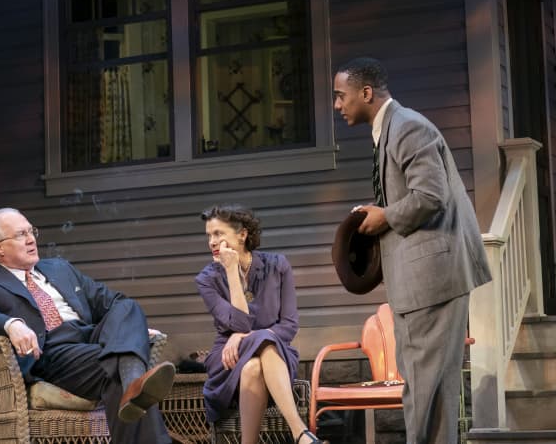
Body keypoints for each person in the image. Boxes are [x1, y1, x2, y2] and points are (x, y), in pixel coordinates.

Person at [333, 57, 491, 444]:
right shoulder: (391, 129)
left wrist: (384, 216)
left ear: (366, 93)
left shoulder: (408, 128)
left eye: (341, 96)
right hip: (423, 279)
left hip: (432, 279)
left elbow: (430, 196)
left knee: (424, 388)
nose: (337, 106)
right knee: (430, 390)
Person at [0, 207, 175, 444]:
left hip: (93, 340)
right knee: (113, 369)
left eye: (32, 231)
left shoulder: (59, 268)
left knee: (128, 307)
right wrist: (12, 324)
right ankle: (133, 379)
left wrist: (128, 330)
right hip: (52, 351)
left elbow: (112, 302)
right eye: (21, 234)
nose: (31, 239)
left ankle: (132, 377)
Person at [196, 204, 324, 444]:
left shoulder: (278, 266)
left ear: (242, 234)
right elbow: (241, 323)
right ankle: (301, 433)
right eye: (209, 236)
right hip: (227, 357)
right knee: (260, 342)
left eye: (219, 234)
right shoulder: (207, 279)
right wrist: (231, 271)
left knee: (254, 366)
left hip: (276, 355)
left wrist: (245, 336)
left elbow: (288, 325)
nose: (212, 242)